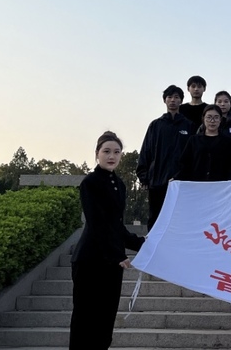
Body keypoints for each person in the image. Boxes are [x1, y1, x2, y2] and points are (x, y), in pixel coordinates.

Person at [69, 131, 145, 350]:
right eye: (107, 151)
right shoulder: (90, 183)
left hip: (112, 265)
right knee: (85, 320)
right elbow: (97, 223)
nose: (112, 156)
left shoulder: (120, 184)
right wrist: (117, 255)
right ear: (97, 154)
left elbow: (116, 226)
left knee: (106, 320)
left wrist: (141, 243)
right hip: (89, 261)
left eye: (117, 152)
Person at [136, 85, 192, 231]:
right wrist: (144, 177)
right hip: (157, 181)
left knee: (179, 219)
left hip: (180, 183)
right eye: (169, 97)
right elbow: (146, 151)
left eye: (176, 97)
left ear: (181, 101)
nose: (173, 100)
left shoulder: (188, 125)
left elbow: (192, 155)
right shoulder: (156, 125)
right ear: (165, 100)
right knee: (156, 219)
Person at [178, 105, 231, 181]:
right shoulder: (193, 140)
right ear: (203, 119)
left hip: (220, 184)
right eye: (209, 117)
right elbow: (185, 164)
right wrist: (176, 177)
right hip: (198, 183)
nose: (212, 121)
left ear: (220, 120)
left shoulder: (228, 141)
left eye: (216, 117)